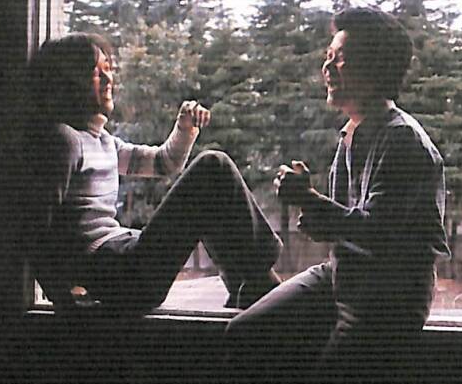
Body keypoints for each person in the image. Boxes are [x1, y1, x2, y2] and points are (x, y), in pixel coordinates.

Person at [225, 7, 450, 374]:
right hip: (341, 276)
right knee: (243, 334)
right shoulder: (351, 134)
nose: (327, 68)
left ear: (375, 67)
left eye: (340, 58)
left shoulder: (403, 140)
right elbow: (349, 223)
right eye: (328, 57)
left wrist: (309, 200)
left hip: (387, 298)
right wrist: (318, 217)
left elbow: (377, 232)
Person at [25, 32, 281, 316]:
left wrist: (184, 129)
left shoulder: (104, 141)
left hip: (120, 257)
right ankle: (259, 283)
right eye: (95, 72)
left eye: (108, 69)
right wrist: (62, 300)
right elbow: (33, 226)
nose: (108, 79)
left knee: (211, 189)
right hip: (109, 268)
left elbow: (163, 163)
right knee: (213, 166)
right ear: (68, 83)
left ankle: (246, 285)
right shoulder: (65, 140)